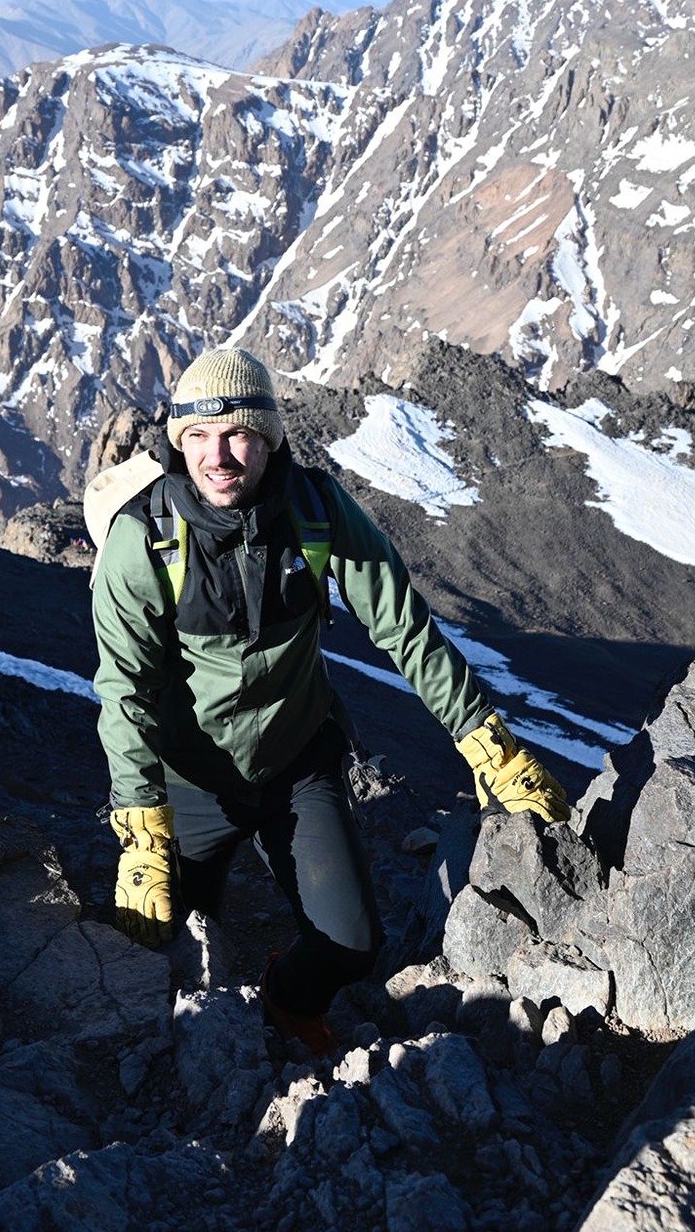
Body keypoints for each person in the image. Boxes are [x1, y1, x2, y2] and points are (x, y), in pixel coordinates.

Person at [90, 345, 568, 1056]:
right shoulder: (144, 539)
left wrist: (487, 743)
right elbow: (123, 689)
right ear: (178, 443)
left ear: (269, 438)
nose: (217, 456)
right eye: (199, 436)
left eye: (237, 434)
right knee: (166, 940)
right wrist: (141, 832)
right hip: (189, 780)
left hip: (295, 765)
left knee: (350, 945)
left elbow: (404, 628)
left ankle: (287, 1001)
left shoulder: (315, 509)